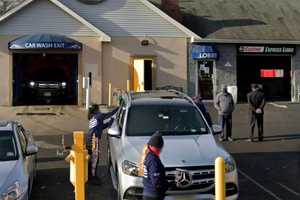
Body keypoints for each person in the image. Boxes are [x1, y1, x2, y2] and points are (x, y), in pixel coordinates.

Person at [87, 104, 119, 183]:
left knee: (91, 159)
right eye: (99, 108)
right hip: (94, 139)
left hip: (90, 138)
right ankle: (93, 178)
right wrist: (119, 107)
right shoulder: (99, 116)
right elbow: (110, 114)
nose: (100, 110)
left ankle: (90, 176)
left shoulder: (93, 117)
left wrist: (110, 122)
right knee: (95, 159)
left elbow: (101, 127)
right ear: (96, 109)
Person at [140, 132, 168, 200]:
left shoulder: (147, 156)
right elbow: (157, 182)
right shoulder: (153, 160)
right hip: (154, 196)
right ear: (159, 147)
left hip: (147, 193)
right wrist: (169, 185)